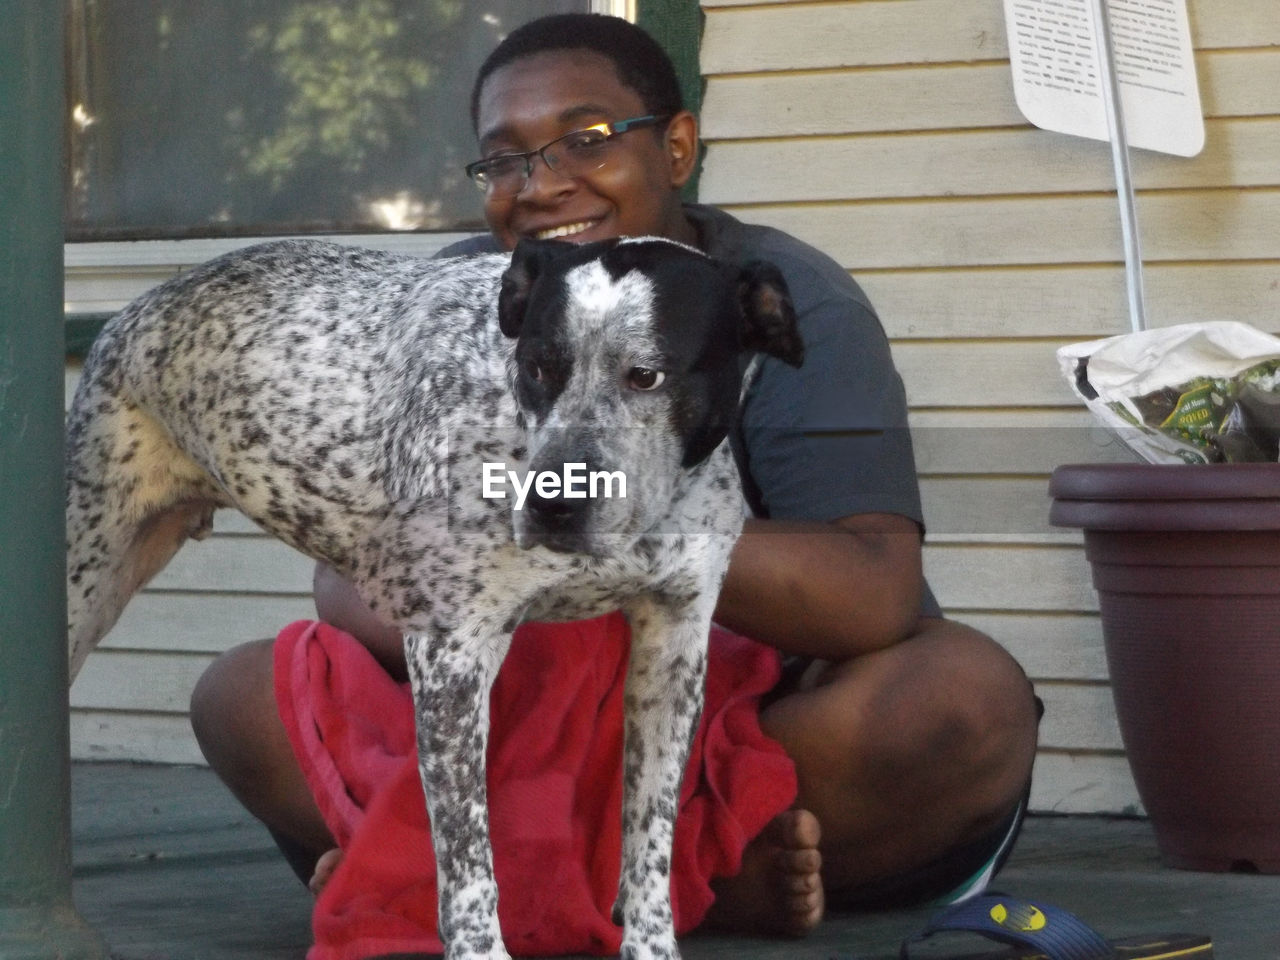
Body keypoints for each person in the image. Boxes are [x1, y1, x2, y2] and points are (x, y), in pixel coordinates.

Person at [190, 12, 1040, 945]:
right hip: (508, 718)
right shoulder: (465, 300)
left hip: (726, 729)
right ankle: (665, 884)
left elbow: (873, 594)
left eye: (585, 141)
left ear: (677, 147)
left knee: (962, 701)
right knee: (240, 697)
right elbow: (358, 586)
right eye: (504, 161)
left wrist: (613, 519)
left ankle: (465, 872)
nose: (542, 185)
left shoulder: (781, 298)